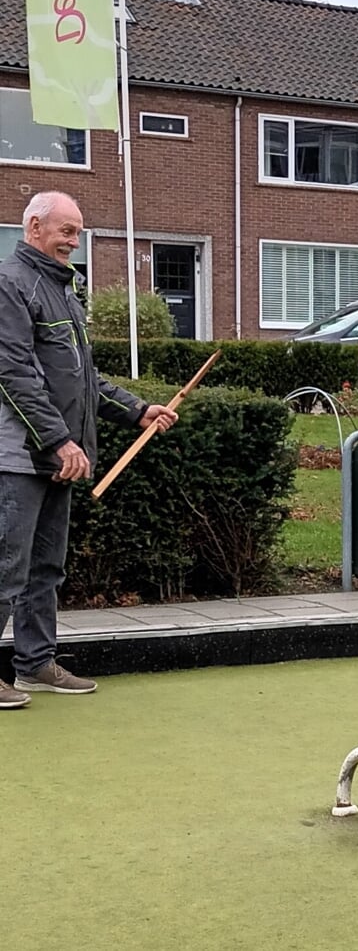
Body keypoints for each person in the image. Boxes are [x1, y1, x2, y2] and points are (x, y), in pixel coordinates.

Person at [0, 191, 178, 707]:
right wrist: (57, 440)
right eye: (65, 230)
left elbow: (81, 378)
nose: (73, 241)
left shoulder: (64, 291)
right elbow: (11, 373)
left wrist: (137, 409)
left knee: (45, 568)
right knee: (7, 566)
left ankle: (35, 665)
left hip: (57, 457)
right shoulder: (10, 284)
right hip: (18, 456)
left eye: (78, 232)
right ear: (34, 227)